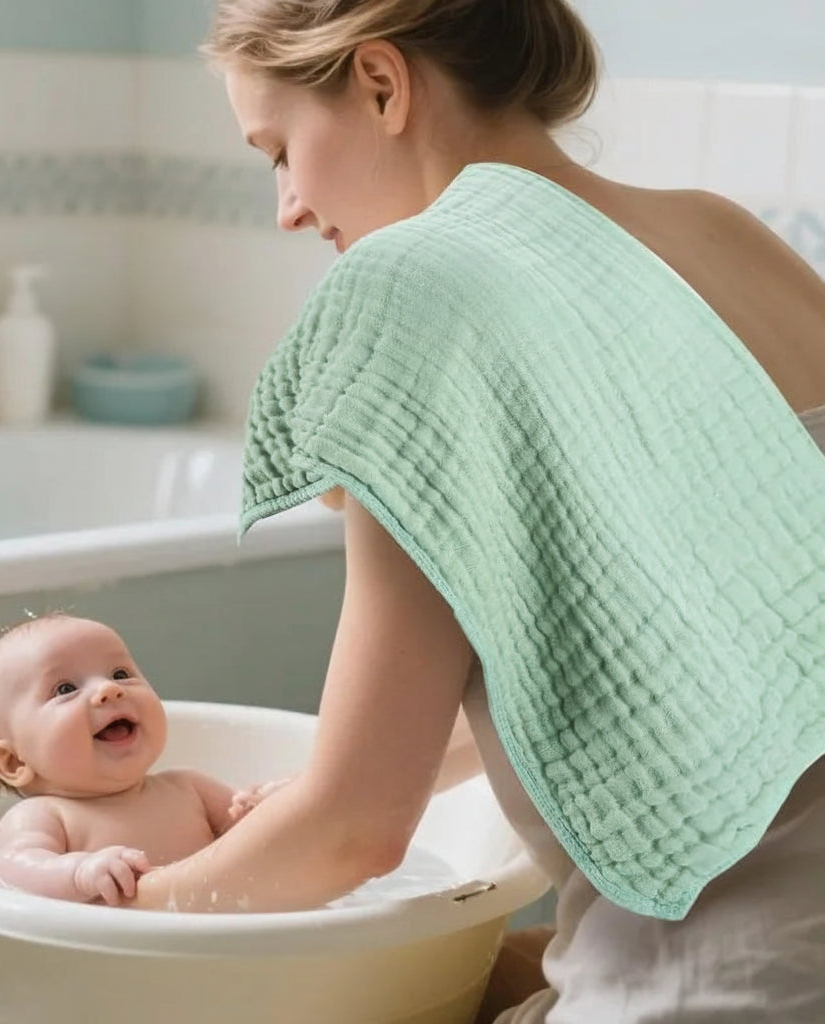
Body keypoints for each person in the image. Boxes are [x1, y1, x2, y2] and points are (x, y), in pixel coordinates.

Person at [123, 1, 825, 1021]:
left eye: (279, 150)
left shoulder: (413, 288)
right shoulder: (724, 231)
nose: (284, 205)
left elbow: (352, 833)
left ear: (380, 83)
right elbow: (710, 648)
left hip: (716, 989)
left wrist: (123, 901)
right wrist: (389, 763)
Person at [0, 613, 270, 905]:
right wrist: (79, 874)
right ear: (14, 762)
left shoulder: (190, 788)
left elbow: (267, 837)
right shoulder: (44, 816)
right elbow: (13, 871)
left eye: (120, 674)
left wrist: (254, 808)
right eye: (65, 689)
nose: (108, 689)